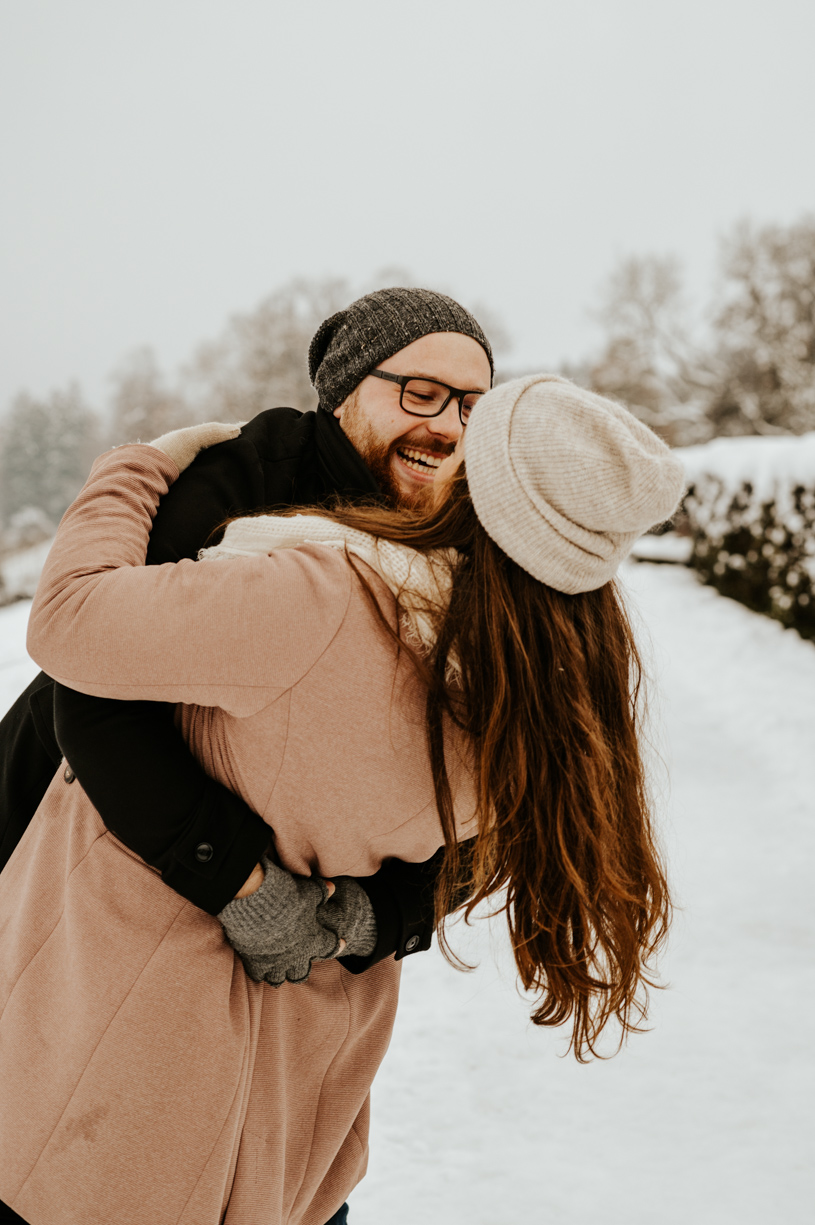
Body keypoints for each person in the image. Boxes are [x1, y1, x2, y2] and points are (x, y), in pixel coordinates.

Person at [0, 372, 685, 1225]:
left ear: (479, 483)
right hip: (305, 1105)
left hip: (120, 1072)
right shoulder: (547, 690)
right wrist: (366, 916)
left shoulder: (321, 596)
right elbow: (484, 853)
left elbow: (66, 621)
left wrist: (138, 467)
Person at [0, 287, 495, 977]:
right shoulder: (245, 476)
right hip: (75, 830)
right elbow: (92, 691)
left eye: (472, 406)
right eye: (420, 393)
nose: (448, 427)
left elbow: (508, 767)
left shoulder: (472, 530)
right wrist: (238, 880)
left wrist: (382, 914)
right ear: (345, 390)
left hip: (299, 934)